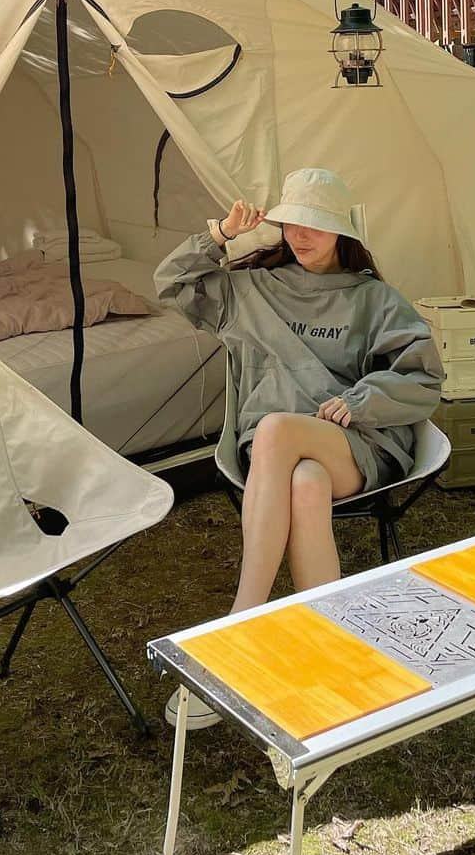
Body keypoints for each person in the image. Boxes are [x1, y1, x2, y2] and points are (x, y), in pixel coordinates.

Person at [154, 166, 445, 728]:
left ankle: (242, 626)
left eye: (316, 224)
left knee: (277, 431)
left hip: (354, 445)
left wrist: (363, 400)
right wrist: (219, 237)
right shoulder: (252, 290)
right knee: (303, 481)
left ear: (343, 232)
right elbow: (170, 285)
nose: (300, 235)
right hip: (279, 463)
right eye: (291, 223)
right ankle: (328, 653)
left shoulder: (373, 299)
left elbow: (424, 378)